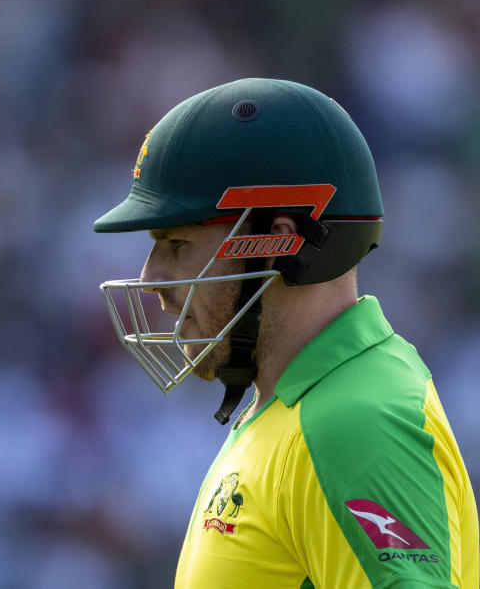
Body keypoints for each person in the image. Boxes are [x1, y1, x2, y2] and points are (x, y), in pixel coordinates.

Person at [93, 78, 479, 588]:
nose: (150, 279)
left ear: (276, 243)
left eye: (177, 243)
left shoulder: (353, 422)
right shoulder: (292, 406)